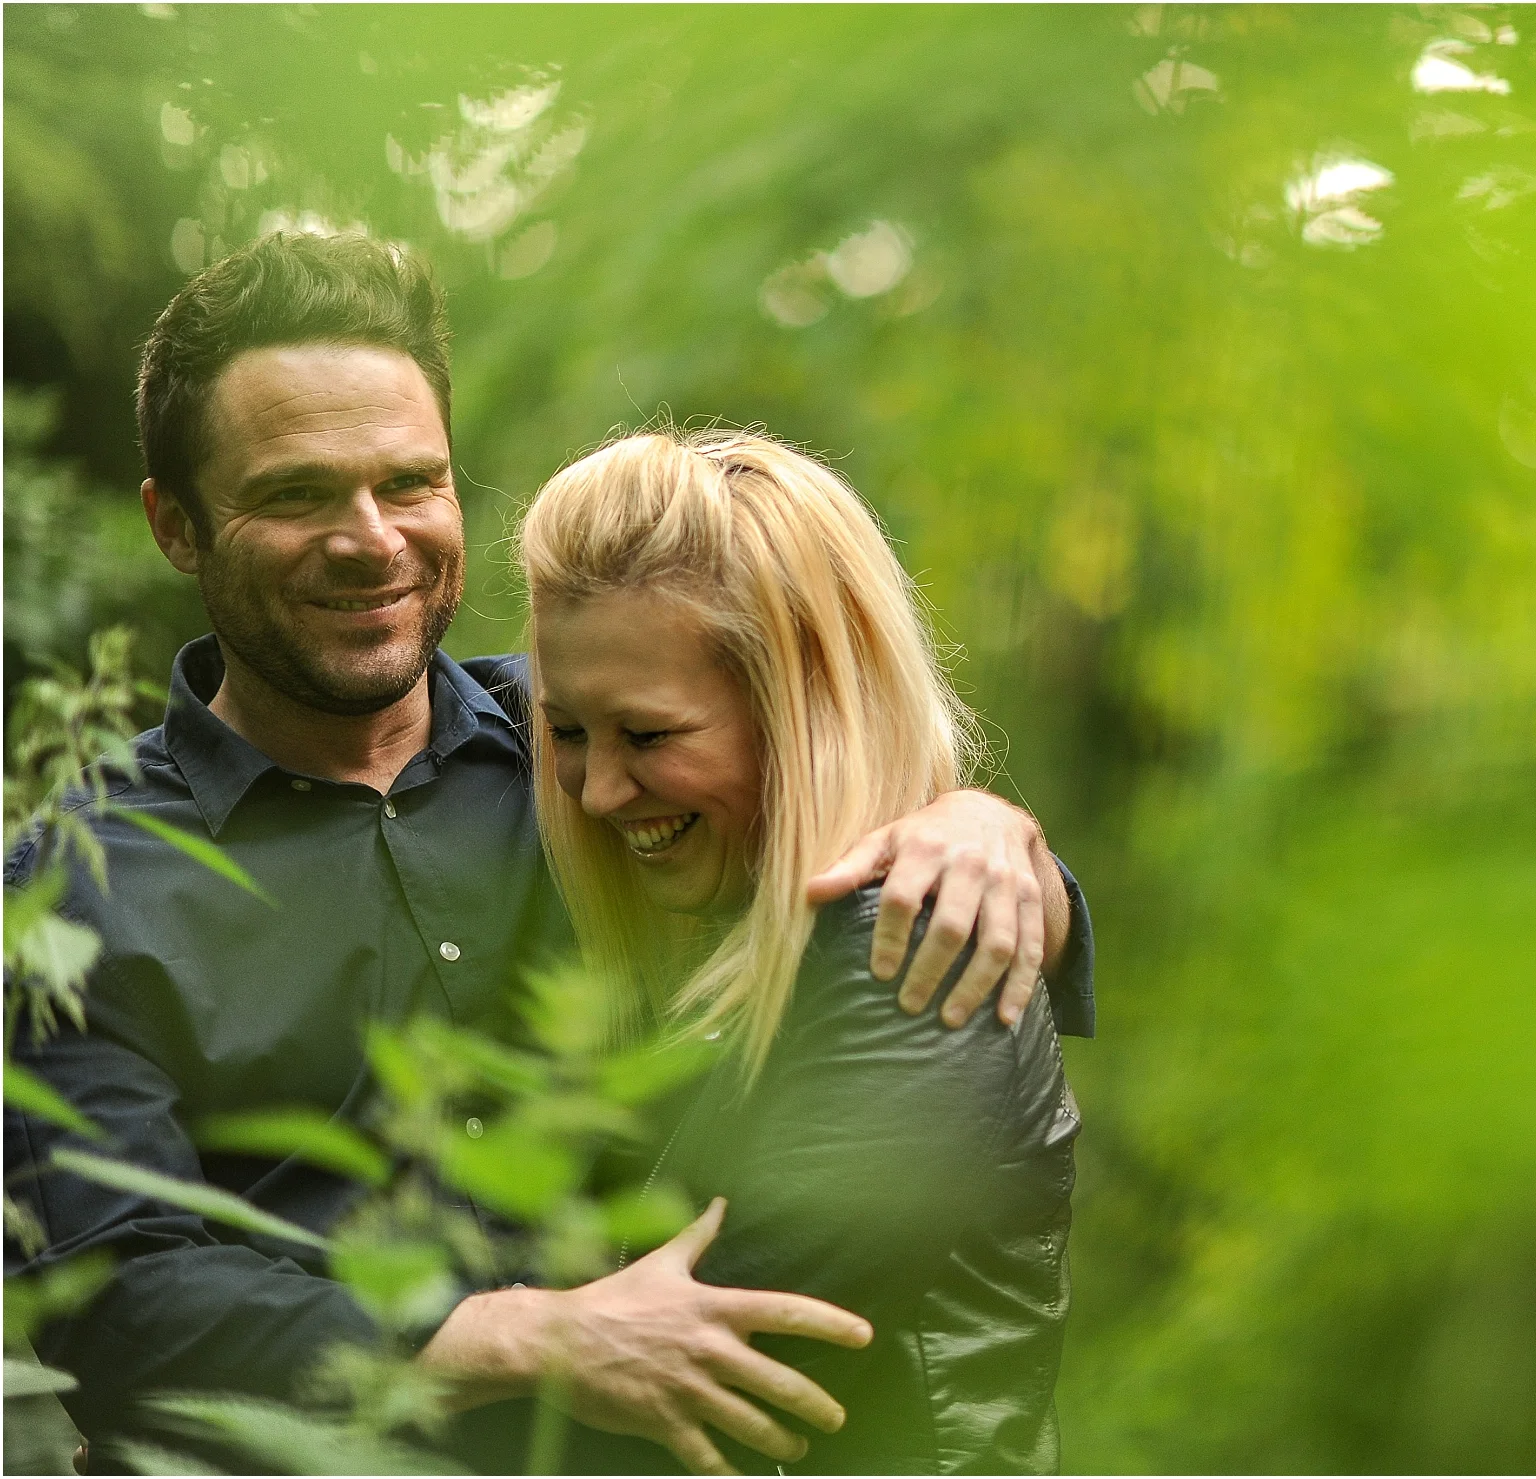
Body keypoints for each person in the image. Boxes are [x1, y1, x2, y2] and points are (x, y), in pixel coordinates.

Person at [3, 231, 1096, 1475]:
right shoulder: (69, 885)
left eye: (410, 481)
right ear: (177, 525)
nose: (371, 538)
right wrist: (518, 1336)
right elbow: (112, 1295)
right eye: (297, 494)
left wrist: (995, 840)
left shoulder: (595, 746)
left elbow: (842, 838)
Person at [456, 428, 1079, 1474]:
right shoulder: (732, 951)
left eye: (649, 737)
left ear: (803, 711)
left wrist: (414, 1345)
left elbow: (675, 1408)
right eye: (567, 733)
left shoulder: (907, 960)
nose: (599, 790)